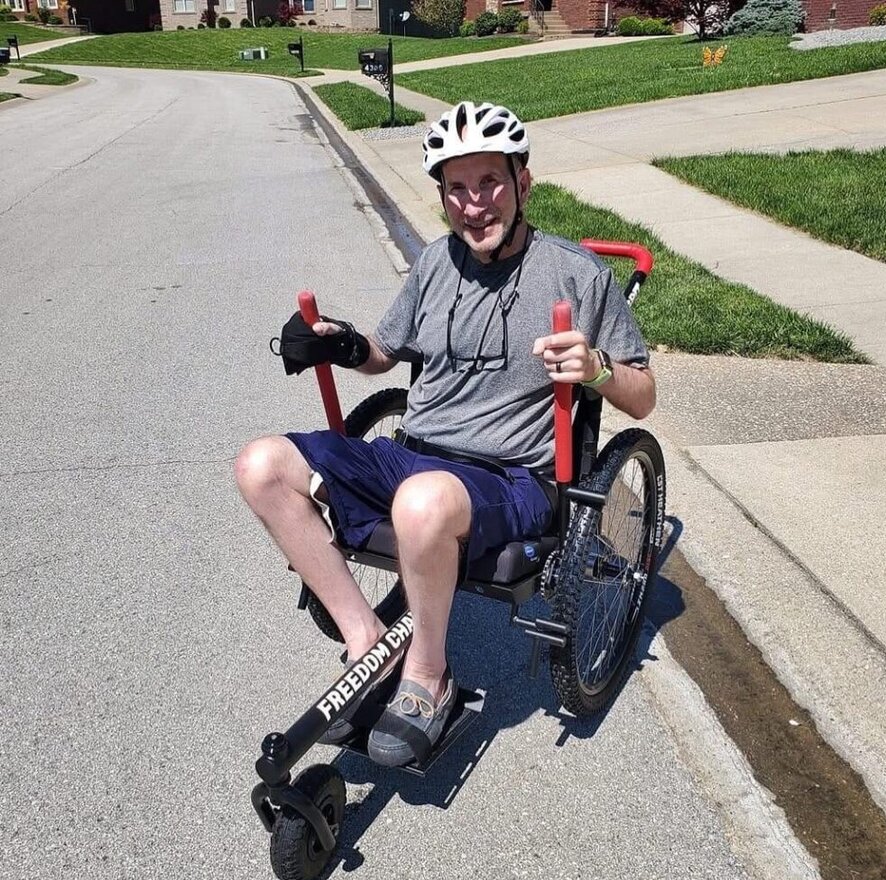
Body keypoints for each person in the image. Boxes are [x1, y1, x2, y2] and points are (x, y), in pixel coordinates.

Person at [235, 101, 655, 767]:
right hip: (415, 456)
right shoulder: (436, 264)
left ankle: (428, 676)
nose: (473, 205)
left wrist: (598, 368)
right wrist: (338, 343)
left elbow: (643, 396)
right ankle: (367, 637)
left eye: (489, 182)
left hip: (512, 479)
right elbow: (384, 351)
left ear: (523, 183)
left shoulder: (577, 273)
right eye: (456, 189)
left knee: (423, 502)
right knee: (260, 465)